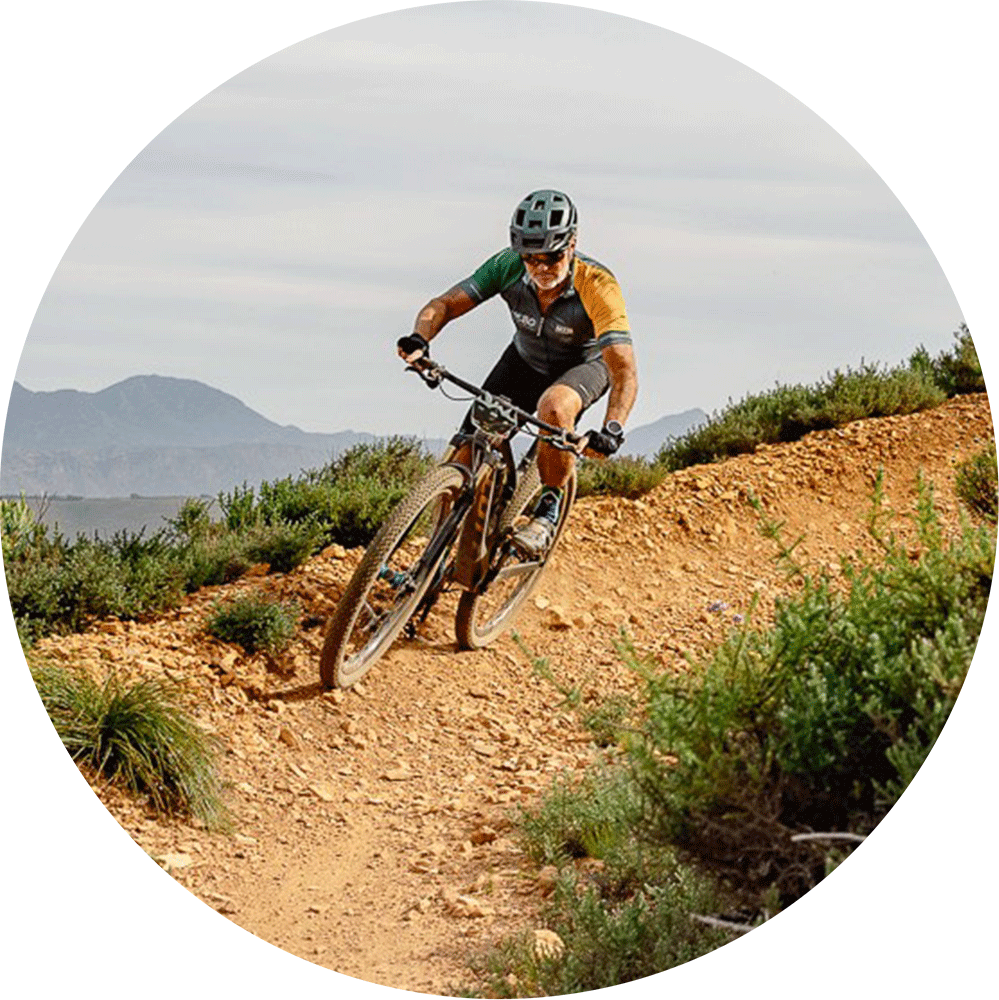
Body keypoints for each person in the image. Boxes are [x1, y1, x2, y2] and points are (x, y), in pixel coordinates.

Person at [397, 189, 638, 556]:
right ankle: (430, 561)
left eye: (552, 257)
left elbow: (624, 370)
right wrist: (420, 338)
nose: (541, 268)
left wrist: (613, 429)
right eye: (530, 258)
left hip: (585, 366)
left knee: (554, 407)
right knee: (465, 453)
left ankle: (548, 507)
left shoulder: (597, 285)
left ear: (572, 244)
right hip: (524, 362)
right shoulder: (506, 266)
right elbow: (444, 304)